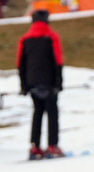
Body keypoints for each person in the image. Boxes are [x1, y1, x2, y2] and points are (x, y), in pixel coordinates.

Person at [17, 10, 64, 159]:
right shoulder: (51, 37)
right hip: (49, 82)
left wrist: (23, 86)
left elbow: (20, 64)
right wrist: (59, 83)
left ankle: (35, 147)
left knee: (37, 112)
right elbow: (58, 61)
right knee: (52, 112)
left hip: (32, 82)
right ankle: (52, 145)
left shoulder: (24, 39)